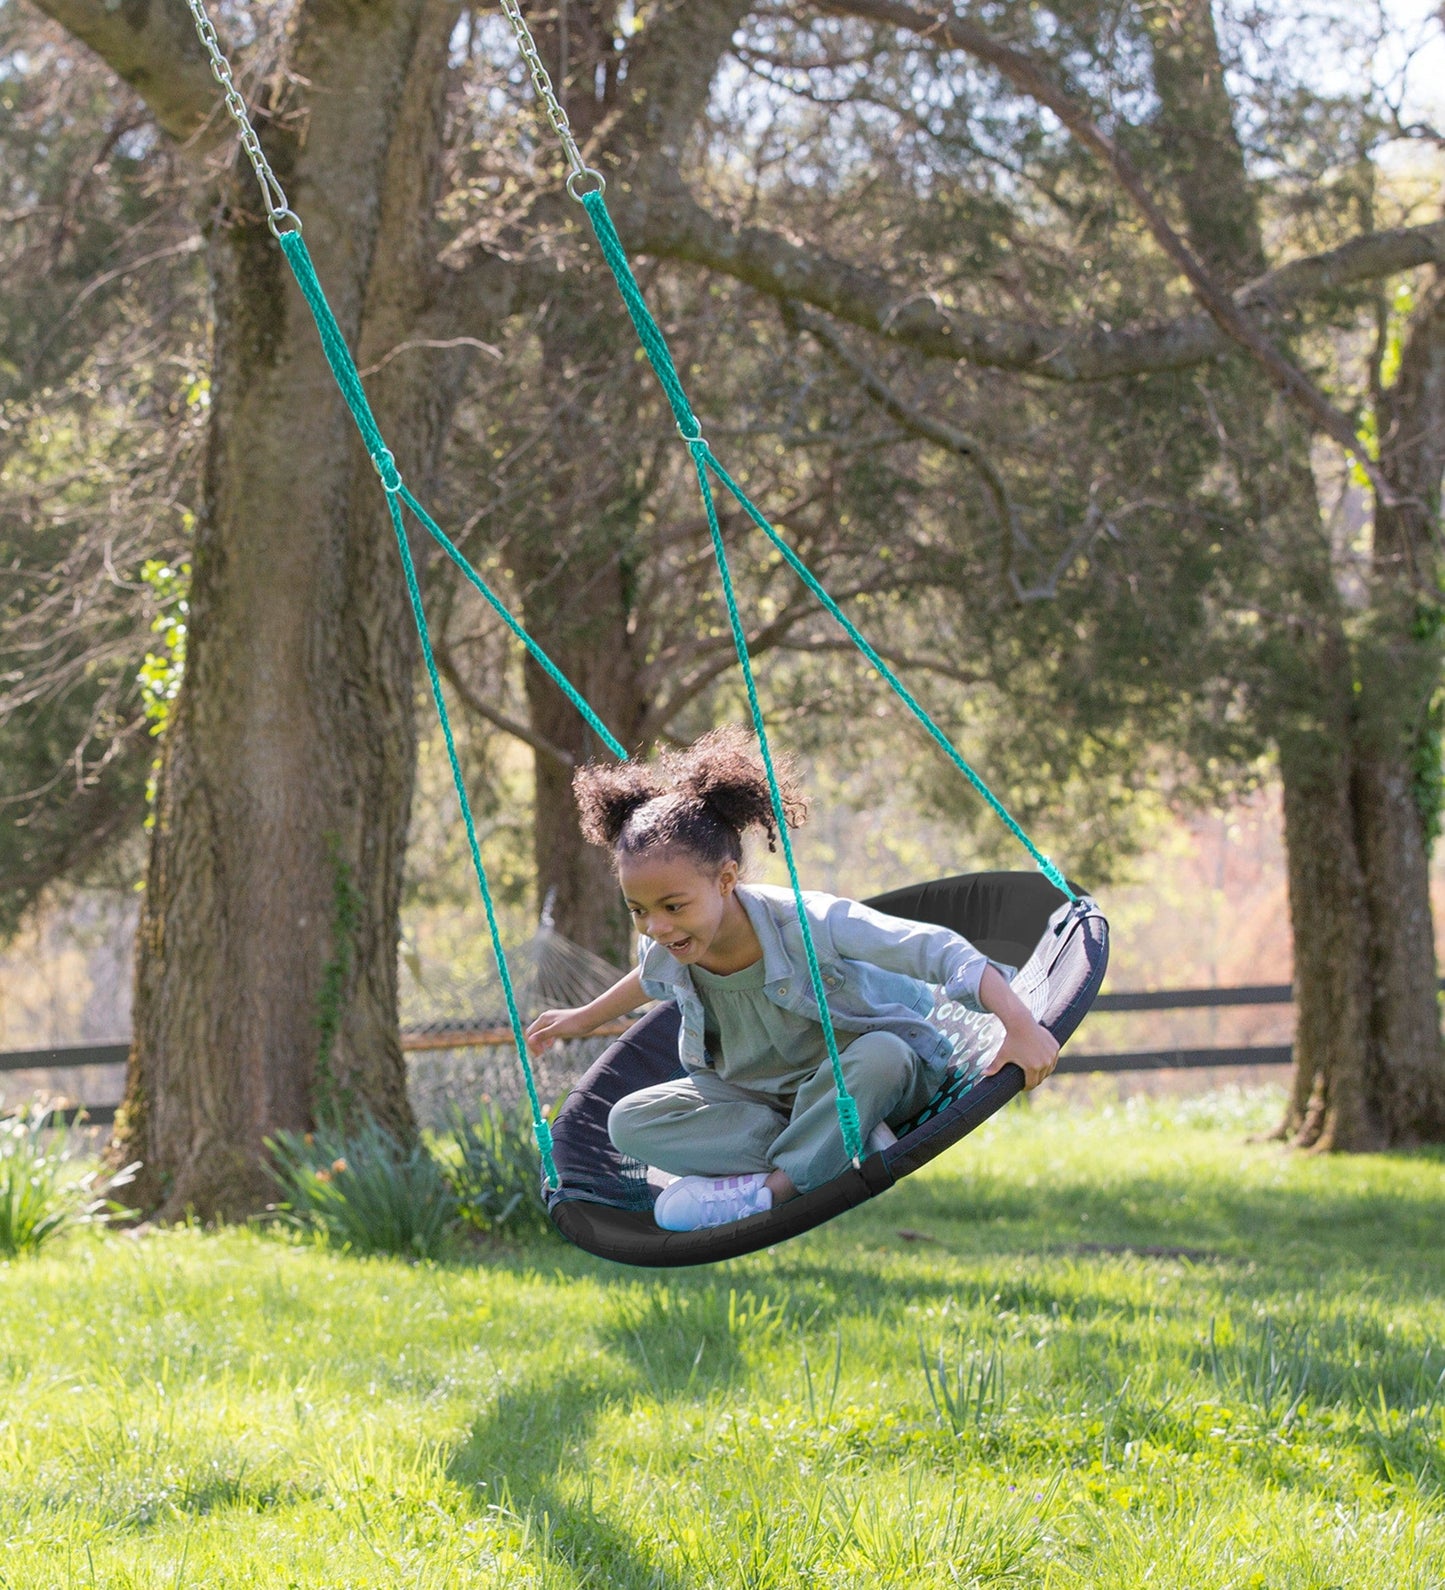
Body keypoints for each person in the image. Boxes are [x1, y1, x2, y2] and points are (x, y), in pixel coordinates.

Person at [524, 726, 1059, 1232]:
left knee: (884, 1056)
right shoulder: (668, 943)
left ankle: (774, 1189)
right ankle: (829, 1148)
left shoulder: (809, 924)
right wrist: (580, 1017)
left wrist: (1020, 1025)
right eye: (638, 909)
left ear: (727, 880)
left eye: (672, 905)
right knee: (628, 1121)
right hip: (759, 1101)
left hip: (856, 1079)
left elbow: (935, 951)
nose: (657, 926)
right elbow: (647, 977)